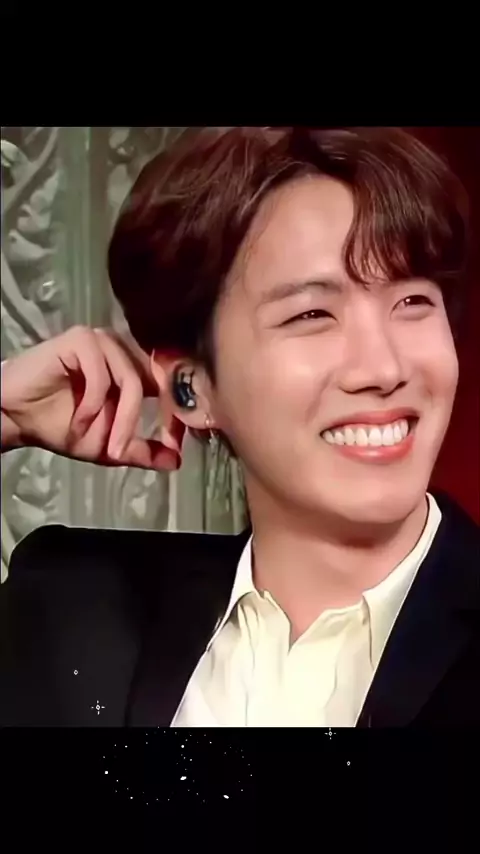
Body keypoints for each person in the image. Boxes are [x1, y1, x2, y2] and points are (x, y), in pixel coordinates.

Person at [0, 126, 479, 728]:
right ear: (192, 388)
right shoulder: (73, 611)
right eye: (312, 314)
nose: (384, 369)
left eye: (413, 303)